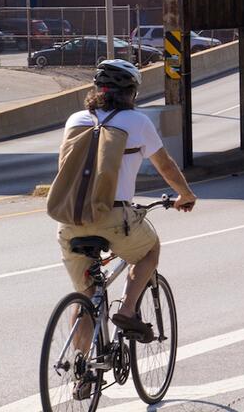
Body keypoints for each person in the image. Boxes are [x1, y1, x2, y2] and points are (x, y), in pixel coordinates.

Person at [57, 60, 196, 351]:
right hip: (115, 216)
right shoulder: (138, 122)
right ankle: (128, 309)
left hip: (70, 220)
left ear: (96, 90)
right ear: (131, 93)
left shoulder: (75, 120)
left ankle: (80, 370)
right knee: (150, 249)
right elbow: (166, 166)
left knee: (86, 293)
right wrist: (185, 194)